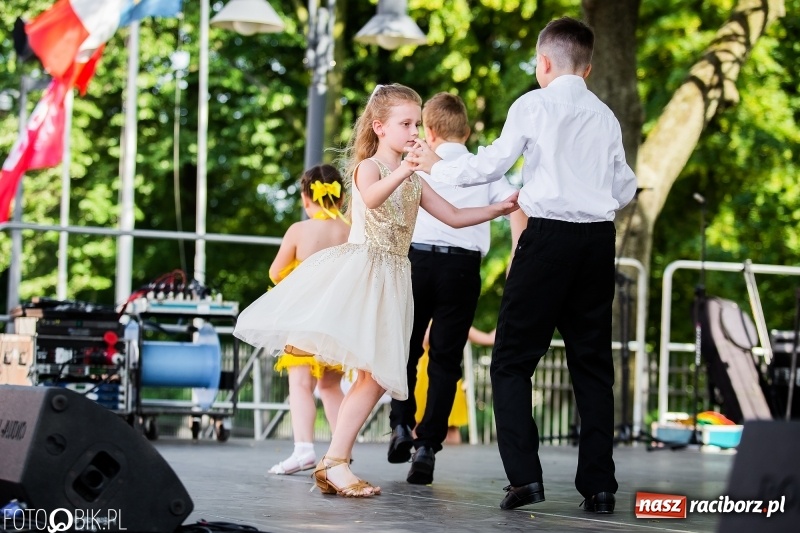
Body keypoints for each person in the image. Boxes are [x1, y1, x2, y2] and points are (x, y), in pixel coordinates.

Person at [234, 83, 519, 498]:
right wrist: (408, 168)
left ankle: (335, 461)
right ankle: (335, 461)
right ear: (380, 127)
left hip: (395, 277)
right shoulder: (370, 167)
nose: (413, 132)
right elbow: (370, 196)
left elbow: (455, 215)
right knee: (375, 375)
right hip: (366, 272)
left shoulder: (415, 180)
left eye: (416, 124)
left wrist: (497, 209)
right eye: (405, 124)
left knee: (376, 377)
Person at [406, 17, 637, 513]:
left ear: (544, 63)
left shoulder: (533, 104)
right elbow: (625, 188)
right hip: (597, 241)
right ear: (589, 68)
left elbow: (492, 164)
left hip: (548, 238)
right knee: (592, 365)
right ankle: (599, 487)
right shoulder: (606, 116)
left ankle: (525, 479)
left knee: (513, 361)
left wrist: (436, 165)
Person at [387, 92, 527, 486]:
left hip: (416, 262)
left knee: (406, 349)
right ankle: (427, 446)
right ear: (465, 131)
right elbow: (517, 208)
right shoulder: (484, 168)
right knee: (446, 359)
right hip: (462, 267)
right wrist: (517, 258)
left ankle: (400, 424)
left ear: (428, 131)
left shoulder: (414, 162)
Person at [266, 164, 350, 476]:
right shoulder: (350, 229)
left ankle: (303, 450)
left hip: (306, 320)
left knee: (301, 383)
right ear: (341, 199)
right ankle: (342, 451)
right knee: (330, 385)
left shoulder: (299, 231)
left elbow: (276, 273)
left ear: (306, 198)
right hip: (339, 321)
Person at [412, 325, 498, 447]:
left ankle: (425, 458)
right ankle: (419, 457)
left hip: (442, 375)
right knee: (420, 424)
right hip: (427, 377)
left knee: (450, 426)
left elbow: (489, 339)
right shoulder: (434, 319)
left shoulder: (455, 319)